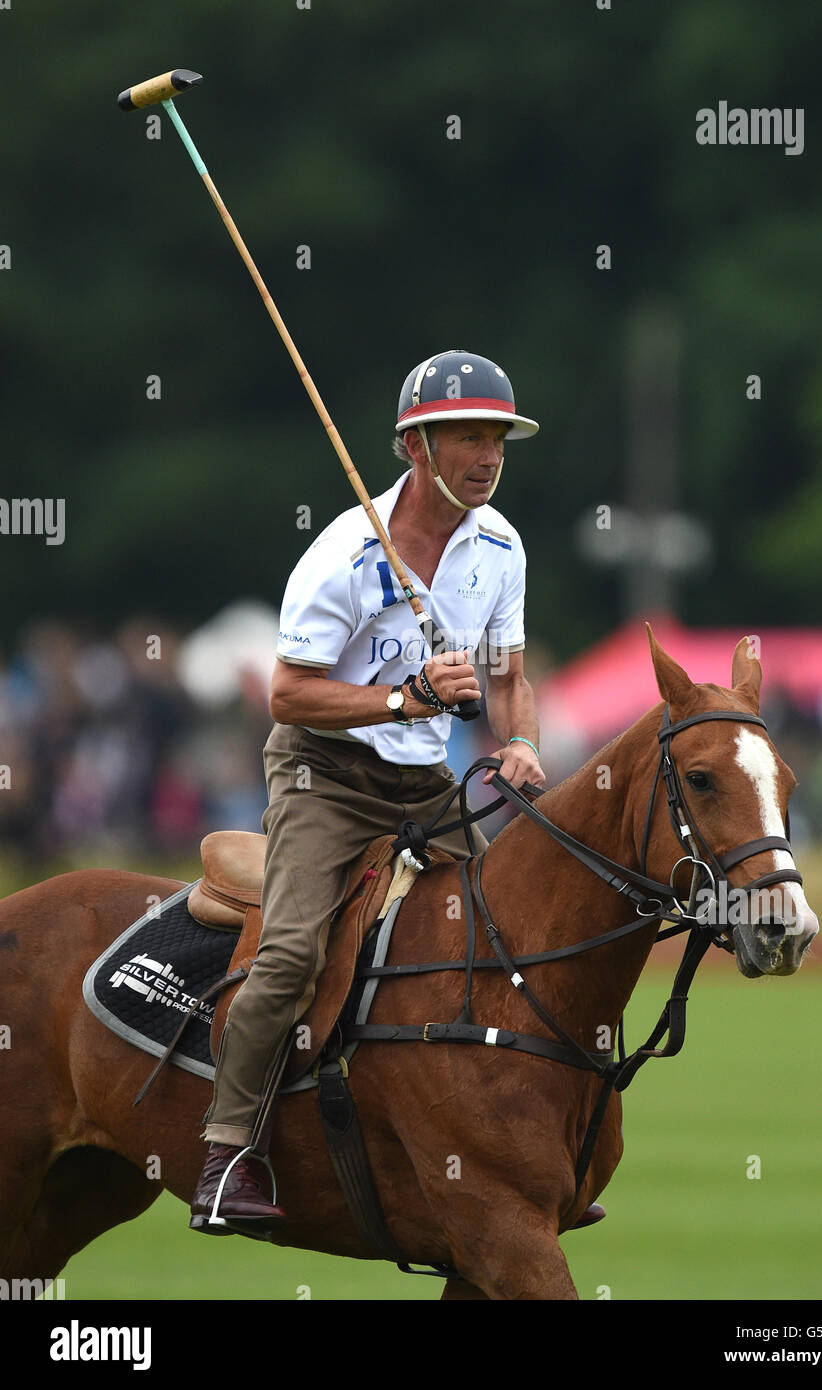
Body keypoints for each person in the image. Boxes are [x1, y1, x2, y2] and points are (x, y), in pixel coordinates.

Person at [190, 349, 545, 1235]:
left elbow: (507, 675)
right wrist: (406, 696)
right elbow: (286, 693)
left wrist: (522, 739)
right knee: (293, 951)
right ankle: (225, 1151)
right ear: (414, 448)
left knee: (509, 939)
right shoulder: (345, 554)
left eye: (497, 437)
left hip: (423, 780)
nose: (487, 454)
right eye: (466, 435)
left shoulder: (499, 546)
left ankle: (510, 1150)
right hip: (325, 771)